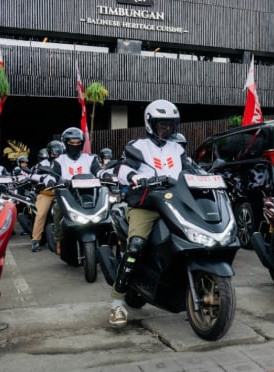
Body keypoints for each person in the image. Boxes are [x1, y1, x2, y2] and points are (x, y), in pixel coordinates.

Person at [109, 99, 194, 327]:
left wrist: (207, 173)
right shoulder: (137, 146)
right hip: (146, 205)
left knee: (192, 242)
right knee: (135, 245)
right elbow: (123, 168)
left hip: (176, 203)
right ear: (150, 123)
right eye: (162, 123)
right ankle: (117, 303)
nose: (166, 128)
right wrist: (134, 177)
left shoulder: (177, 148)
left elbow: (190, 167)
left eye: (170, 124)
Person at [46, 128, 106, 255]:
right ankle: (58, 240)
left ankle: (107, 242)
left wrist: (105, 175)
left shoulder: (90, 158)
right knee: (57, 209)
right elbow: (53, 175)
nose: (75, 145)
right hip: (67, 194)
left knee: (107, 211)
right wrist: (50, 181)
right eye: (71, 143)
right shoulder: (59, 160)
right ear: (64, 143)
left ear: (82, 143)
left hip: (89, 194)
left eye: (78, 143)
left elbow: (99, 170)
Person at [29, 142, 62, 252]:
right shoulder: (43, 163)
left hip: (63, 193)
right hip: (47, 193)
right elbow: (32, 175)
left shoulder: (65, 162)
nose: (56, 155)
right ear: (49, 152)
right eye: (54, 153)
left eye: (58, 152)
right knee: (41, 214)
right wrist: (43, 178)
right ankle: (35, 240)